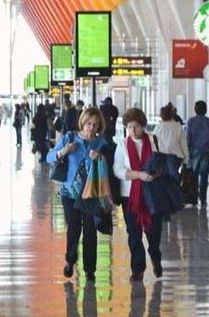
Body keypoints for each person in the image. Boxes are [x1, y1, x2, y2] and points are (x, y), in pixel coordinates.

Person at [48, 107, 112, 280]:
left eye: (95, 125)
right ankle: (70, 259)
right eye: (89, 124)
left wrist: (101, 158)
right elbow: (49, 156)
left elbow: (109, 168)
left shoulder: (101, 144)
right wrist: (64, 151)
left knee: (90, 231)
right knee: (74, 228)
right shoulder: (70, 138)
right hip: (70, 193)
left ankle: (90, 270)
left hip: (91, 194)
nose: (91, 128)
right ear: (83, 122)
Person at [112, 108, 163, 281]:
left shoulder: (153, 141)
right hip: (130, 196)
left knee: (153, 232)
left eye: (136, 127)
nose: (133, 131)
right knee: (134, 233)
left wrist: (154, 175)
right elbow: (118, 169)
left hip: (152, 194)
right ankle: (138, 268)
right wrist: (139, 175)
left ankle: (155, 256)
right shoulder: (123, 145)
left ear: (143, 126)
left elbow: (162, 164)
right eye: (129, 127)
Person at [185, 100, 209, 207]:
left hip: (194, 151)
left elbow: (188, 137)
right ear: (205, 110)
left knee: (193, 175)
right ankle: (203, 197)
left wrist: (187, 151)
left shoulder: (191, 121)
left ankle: (194, 197)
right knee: (204, 175)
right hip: (206, 151)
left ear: (195, 110)